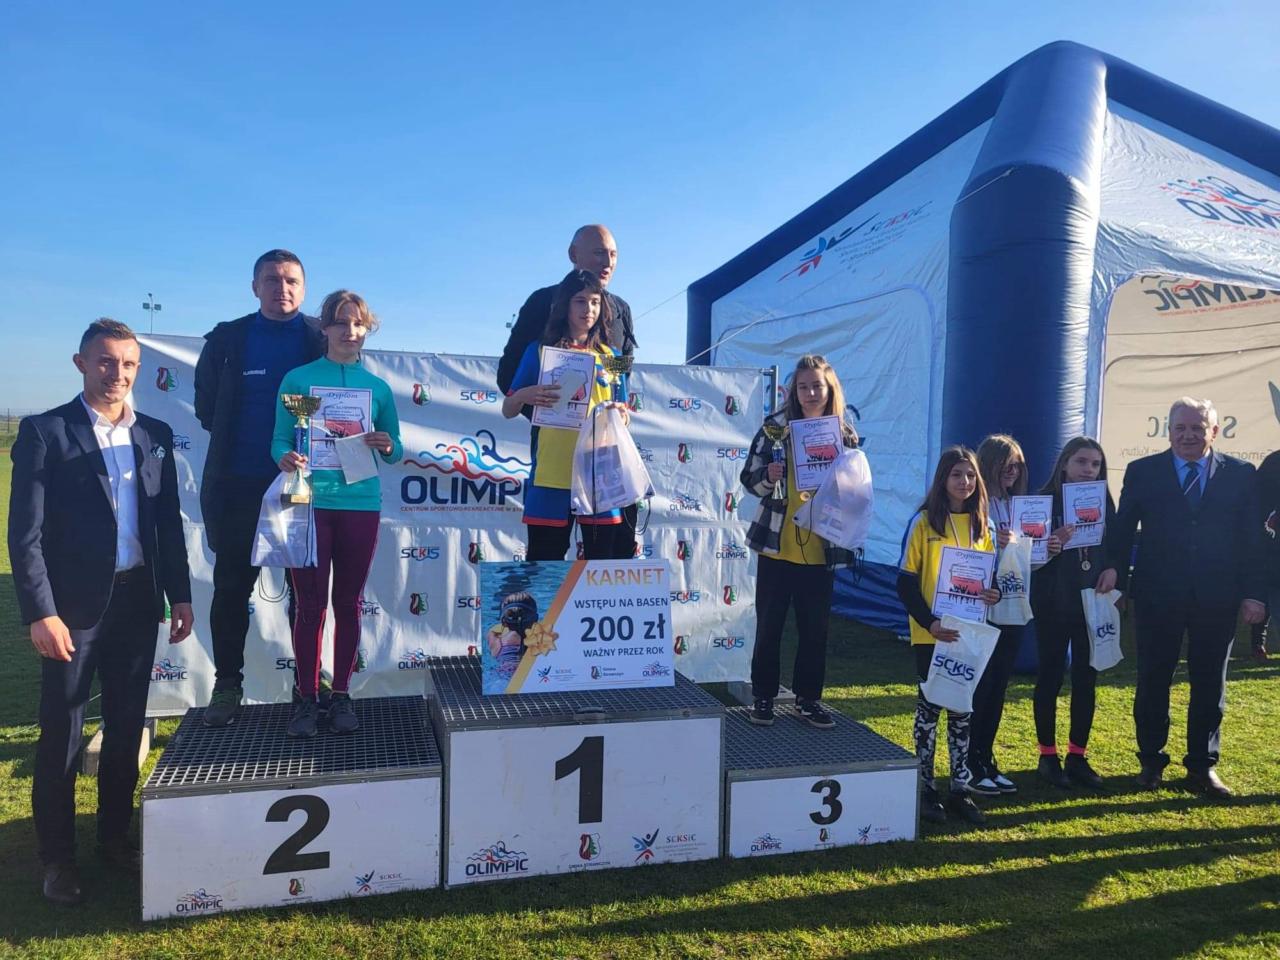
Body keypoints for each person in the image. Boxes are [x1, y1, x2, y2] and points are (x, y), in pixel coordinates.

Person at [9, 319, 194, 905]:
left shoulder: (154, 433)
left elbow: (167, 524)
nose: (118, 374)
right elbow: (25, 536)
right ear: (81, 363)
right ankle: (58, 859)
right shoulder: (46, 432)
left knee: (124, 730)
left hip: (139, 602)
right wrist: (41, 612)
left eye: (128, 364)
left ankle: (115, 842)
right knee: (62, 735)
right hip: (71, 611)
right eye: (107, 361)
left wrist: (180, 594)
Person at [1097, 397, 1266, 798]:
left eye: (1197, 428)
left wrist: (1254, 594)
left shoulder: (1241, 474)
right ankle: (1150, 762)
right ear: (1168, 431)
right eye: (1180, 428)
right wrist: (1115, 574)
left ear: (1214, 431)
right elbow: (1122, 531)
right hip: (1157, 594)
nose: (1188, 435)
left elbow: (1252, 540)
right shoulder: (1143, 471)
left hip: (1218, 596)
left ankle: (1202, 767)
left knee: (1210, 683)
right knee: (1153, 680)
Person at [194, 249, 324, 727]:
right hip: (239, 486)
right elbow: (207, 409)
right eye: (271, 280)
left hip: (304, 488)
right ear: (255, 287)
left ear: (303, 289)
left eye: (291, 281)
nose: (281, 288)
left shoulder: (321, 337)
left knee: (306, 594)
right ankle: (227, 684)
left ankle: (308, 684)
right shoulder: (227, 339)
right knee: (231, 590)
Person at [271, 291, 402, 738]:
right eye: (342, 323)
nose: (350, 331)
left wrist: (387, 444)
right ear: (324, 328)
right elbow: (279, 439)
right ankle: (307, 698)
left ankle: (342, 694)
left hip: (360, 504)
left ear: (367, 329)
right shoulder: (298, 380)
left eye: (358, 323)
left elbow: (396, 448)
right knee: (309, 606)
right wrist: (285, 457)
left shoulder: (378, 388)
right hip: (309, 502)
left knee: (348, 603)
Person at [497, 225, 638, 558]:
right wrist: (549, 410)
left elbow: (622, 380)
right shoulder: (540, 307)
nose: (608, 262)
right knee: (545, 562)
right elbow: (510, 377)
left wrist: (618, 414)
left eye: (614, 254)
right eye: (599, 252)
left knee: (607, 562)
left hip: (602, 466)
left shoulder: (620, 316)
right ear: (574, 254)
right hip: (554, 461)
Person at [739, 354, 860, 730]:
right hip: (777, 544)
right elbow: (749, 479)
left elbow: (855, 487)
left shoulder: (844, 433)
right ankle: (763, 697)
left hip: (822, 546)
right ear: (793, 391)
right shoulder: (775, 428)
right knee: (769, 627)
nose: (810, 393)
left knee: (814, 631)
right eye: (803, 387)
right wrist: (769, 475)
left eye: (817, 386)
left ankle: (809, 700)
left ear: (830, 389)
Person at [897, 446, 1000, 825]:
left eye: (971, 475)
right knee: (929, 713)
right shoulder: (924, 523)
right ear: (943, 479)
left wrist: (993, 593)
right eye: (957, 474)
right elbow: (905, 583)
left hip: (968, 635)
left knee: (962, 712)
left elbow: (989, 579)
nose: (965, 482)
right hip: (933, 635)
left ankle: (960, 789)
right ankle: (925, 789)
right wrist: (930, 623)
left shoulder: (983, 526)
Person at [1030, 437, 1112, 789]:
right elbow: (1025, 556)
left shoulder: (1103, 498)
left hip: (1091, 600)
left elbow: (1114, 542)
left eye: (1095, 464)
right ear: (1064, 463)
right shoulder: (1042, 501)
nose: (1088, 470)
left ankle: (1077, 756)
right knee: (1050, 676)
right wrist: (1051, 544)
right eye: (1081, 462)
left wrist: (1113, 568)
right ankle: (1047, 756)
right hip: (1052, 601)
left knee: (1086, 678)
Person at [967, 434, 1033, 796]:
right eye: (1006, 463)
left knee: (998, 687)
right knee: (982, 685)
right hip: (981, 607)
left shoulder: (1018, 505)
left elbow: (1030, 561)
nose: (1013, 471)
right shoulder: (974, 503)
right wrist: (995, 544)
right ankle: (970, 761)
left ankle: (985, 756)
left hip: (1013, 605)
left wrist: (1049, 546)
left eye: (1017, 465)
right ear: (989, 463)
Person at [1250, 448, 1280, 660]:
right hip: (1274, 552)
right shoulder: (1275, 462)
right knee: (1269, 597)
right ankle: (1257, 643)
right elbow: (1258, 507)